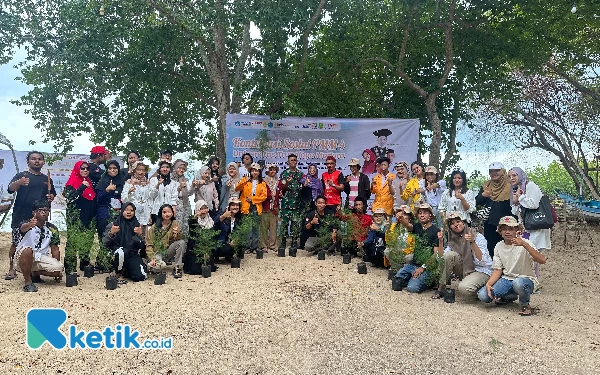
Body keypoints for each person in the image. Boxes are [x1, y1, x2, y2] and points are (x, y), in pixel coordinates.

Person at [477, 216, 546, 316]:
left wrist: (524, 244)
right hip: (507, 279)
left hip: (526, 279)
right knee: (483, 295)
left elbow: (542, 260)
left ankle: (525, 305)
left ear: (517, 230)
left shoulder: (526, 243)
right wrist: (489, 284)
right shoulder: (498, 246)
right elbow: (498, 269)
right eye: (504, 229)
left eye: (510, 229)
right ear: (500, 231)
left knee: (518, 283)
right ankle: (509, 296)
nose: (507, 232)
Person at [5, 151, 56, 281]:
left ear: (43, 162)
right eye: (33, 159)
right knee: (16, 242)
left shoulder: (47, 179)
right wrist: (20, 183)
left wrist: (51, 197)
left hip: (39, 218)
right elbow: (10, 188)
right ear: (28, 161)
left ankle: (34, 270)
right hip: (21, 215)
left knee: (36, 243)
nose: (36, 161)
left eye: (39, 159)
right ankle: (12, 268)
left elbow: (52, 195)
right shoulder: (22, 175)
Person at [432, 212, 492, 300]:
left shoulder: (477, 236)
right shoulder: (453, 239)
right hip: (466, 270)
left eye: (458, 221)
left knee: (463, 288)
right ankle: (441, 288)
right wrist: (441, 241)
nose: (455, 225)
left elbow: (482, 260)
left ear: (464, 222)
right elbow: (442, 259)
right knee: (449, 255)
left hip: (481, 270)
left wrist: (473, 242)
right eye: (452, 223)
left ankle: (484, 288)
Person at [508, 167, 551, 278]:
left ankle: (534, 281)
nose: (512, 178)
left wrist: (520, 197)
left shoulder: (530, 186)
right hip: (525, 226)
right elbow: (514, 211)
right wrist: (516, 202)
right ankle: (528, 278)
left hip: (537, 225)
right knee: (524, 251)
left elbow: (534, 204)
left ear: (520, 175)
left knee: (534, 253)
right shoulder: (513, 189)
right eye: (509, 176)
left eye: (514, 175)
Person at [14, 200, 63, 292]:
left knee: (58, 268)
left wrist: (57, 271)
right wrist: (29, 225)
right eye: (40, 210)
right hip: (22, 257)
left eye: (46, 210)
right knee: (28, 250)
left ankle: (34, 273)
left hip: (39, 258)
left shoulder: (52, 228)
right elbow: (22, 228)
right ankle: (28, 282)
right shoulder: (27, 223)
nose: (44, 213)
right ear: (34, 212)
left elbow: (55, 249)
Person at [395, 203, 442, 293]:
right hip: (414, 264)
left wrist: (423, 268)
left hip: (427, 267)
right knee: (397, 279)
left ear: (430, 215)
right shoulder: (416, 226)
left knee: (412, 288)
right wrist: (401, 218)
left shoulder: (436, 231)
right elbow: (407, 225)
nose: (422, 215)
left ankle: (431, 280)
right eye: (420, 213)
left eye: (425, 213)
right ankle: (414, 277)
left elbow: (436, 254)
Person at [63, 160, 97, 273]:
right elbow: (70, 198)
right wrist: (81, 187)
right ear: (77, 169)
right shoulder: (72, 182)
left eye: (87, 169)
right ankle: (70, 267)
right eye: (82, 168)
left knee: (87, 240)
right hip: (76, 217)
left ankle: (84, 263)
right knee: (73, 241)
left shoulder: (89, 181)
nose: (85, 170)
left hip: (88, 216)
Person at [475, 162, 514, 256]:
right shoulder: (486, 186)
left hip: (508, 223)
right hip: (490, 223)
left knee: (509, 248)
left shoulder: (510, 185)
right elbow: (476, 202)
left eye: (497, 170)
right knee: (492, 249)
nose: (494, 173)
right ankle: (495, 269)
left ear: (503, 171)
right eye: (491, 171)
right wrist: (483, 196)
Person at [102, 202, 147, 282]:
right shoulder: (114, 224)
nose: (129, 212)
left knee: (141, 276)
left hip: (132, 254)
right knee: (122, 252)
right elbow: (104, 243)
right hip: (117, 254)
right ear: (122, 211)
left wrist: (140, 235)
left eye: (131, 210)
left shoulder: (137, 226)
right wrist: (111, 233)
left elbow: (142, 246)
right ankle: (118, 273)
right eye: (126, 210)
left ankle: (126, 270)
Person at [146, 204, 187, 278]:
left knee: (181, 243)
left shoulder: (175, 223)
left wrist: (178, 233)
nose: (167, 214)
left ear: (172, 213)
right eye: (164, 212)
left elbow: (177, 239)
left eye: (169, 212)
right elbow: (149, 245)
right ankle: (150, 265)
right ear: (160, 213)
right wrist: (152, 257)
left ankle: (177, 268)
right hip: (157, 253)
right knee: (158, 268)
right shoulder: (154, 227)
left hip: (168, 252)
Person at [235, 162, 267, 253]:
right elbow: (237, 188)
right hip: (246, 206)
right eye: (252, 171)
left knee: (255, 227)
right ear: (250, 172)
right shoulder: (245, 179)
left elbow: (264, 196)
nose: (254, 173)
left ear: (259, 172)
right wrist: (245, 180)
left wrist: (253, 199)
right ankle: (246, 247)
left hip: (256, 207)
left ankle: (255, 247)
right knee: (246, 227)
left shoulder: (262, 183)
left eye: (256, 171)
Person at [184, 200, 219, 273]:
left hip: (206, 250)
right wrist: (195, 217)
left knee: (209, 268)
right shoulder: (194, 221)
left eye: (205, 208)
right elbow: (191, 224)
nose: (204, 211)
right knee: (195, 270)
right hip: (195, 251)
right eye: (201, 209)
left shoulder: (210, 221)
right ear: (197, 210)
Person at [279, 154, 304, 252]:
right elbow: (283, 188)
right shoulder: (284, 174)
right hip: (286, 203)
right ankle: (283, 241)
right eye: (291, 160)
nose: (293, 161)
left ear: (296, 161)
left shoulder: (301, 174)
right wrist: (288, 183)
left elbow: (303, 188)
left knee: (295, 223)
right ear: (288, 162)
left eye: (294, 160)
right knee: (284, 223)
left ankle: (294, 241)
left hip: (297, 203)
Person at [95, 160, 124, 240]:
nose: (112, 170)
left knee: (118, 239)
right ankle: (104, 252)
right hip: (104, 214)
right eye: (110, 168)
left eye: (114, 168)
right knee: (105, 238)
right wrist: (107, 190)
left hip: (119, 215)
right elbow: (98, 199)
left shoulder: (122, 182)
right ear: (106, 170)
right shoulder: (102, 182)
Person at [122, 160, 153, 233]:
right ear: (134, 171)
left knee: (145, 233)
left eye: (143, 170)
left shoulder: (148, 183)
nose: (141, 172)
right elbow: (124, 199)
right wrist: (129, 192)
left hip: (145, 211)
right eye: (139, 170)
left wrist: (150, 214)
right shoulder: (129, 183)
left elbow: (150, 199)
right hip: (133, 211)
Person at [214, 197, 243, 261]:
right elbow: (215, 223)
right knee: (228, 249)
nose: (235, 207)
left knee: (241, 244)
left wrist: (236, 238)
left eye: (237, 205)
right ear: (229, 206)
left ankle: (230, 256)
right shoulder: (223, 213)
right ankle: (217, 255)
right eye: (233, 205)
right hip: (221, 242)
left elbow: (240, 230)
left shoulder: (238, 217)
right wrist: (223, 216)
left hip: (231, 241)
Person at [261, 164, 280, 253]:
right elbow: (261, 193)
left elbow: (280, 193)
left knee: (273, 227)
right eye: (271, 170)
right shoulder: (263, 181)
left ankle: (273, 245)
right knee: (263, 227)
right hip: (265, 206)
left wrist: (280, 195)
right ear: (267, 171)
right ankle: (263, 245)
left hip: (274, 207)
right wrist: (269, 195)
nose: (272, 171)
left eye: (274, 170)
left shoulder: (278, 182)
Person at [171, 159, 192, 238]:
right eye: (179, 168)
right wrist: (179, 188)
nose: (181, 170)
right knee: (177, 225)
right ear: (175, 168)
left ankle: (184, 246)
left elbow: (189, 193)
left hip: (185, 203)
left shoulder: (185, 179)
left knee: (185, 225)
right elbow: (172, 193)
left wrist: (193, 186)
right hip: (176, 203)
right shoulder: (171, 179)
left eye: (183, 169)